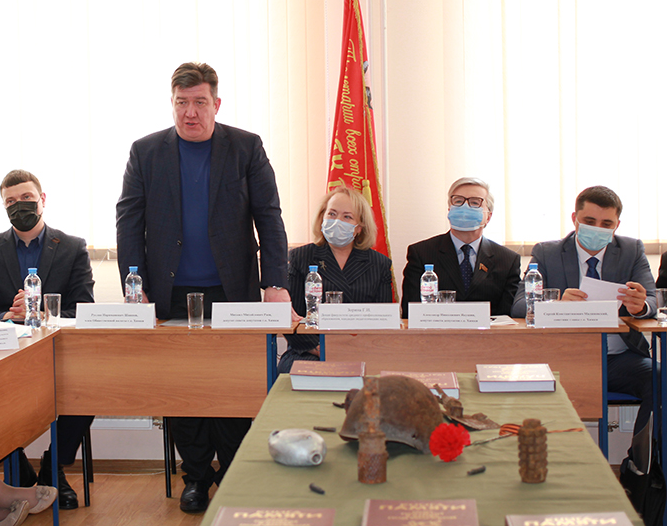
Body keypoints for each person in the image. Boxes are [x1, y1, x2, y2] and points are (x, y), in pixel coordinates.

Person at [115, 61, 290, 513]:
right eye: (181, 102)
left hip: (232, 291)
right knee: (182, 388)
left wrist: (276, 283)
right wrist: (135, 287)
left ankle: (232, 474)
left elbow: (269, 217)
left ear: (216, 103)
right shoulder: (145, 151)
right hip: (170, 292)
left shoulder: (246, 147)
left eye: (199, 102)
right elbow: (129, 222)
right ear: (172, 103)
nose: (190, 112)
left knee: (234, 386)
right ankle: (195, 476)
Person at [0, 169, 95, 510]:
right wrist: (9, 315)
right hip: (5, 357)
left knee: (90, 387)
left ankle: (54, 469)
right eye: (10, 201)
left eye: (26, 198)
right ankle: (17, 463)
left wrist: (41, 312)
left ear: (42, 200)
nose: (19, 205)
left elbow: (83, 308)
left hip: (59, 353)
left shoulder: (72, 247)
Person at [511, 185, 655, 436]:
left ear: (617, 226)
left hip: (617, 358)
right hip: (561, 358)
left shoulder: (631, 250)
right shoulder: (547, 252)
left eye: (606, 223)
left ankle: (643, 459)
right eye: (589, 221)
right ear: (574, 219)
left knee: (660, 378)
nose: (597, 228)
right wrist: (554, 303)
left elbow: (651, 299)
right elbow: (519, 305)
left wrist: (640, 306)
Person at [279, 186, 392, 373]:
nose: (337, 221)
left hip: (362, 350)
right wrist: (320, 349)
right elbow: (294, 317)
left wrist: (353, 349)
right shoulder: (300, 257)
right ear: (322, 218)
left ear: (359, 228)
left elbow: (382, 320)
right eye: (332, 214)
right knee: (304, 371)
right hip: (309, 351)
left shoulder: (379, 264)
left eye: (347, 217)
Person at [401, 177, 521, 317]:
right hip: (436, 330)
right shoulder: (421, 253)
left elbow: (508, 317)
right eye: (458, 201)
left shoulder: (507, 260)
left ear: (488, 216)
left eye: (474, 202)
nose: (465, 208)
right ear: (449, 210)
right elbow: (411, 311)